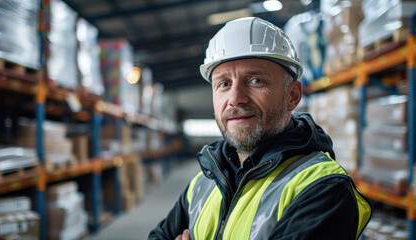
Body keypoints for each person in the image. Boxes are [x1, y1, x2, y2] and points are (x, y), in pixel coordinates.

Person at [149, 17, 372, 240]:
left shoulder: (323, 188)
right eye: (224, 84)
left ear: (292, 96)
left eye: (255, 80)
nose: (235, 99)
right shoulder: (204, 182)